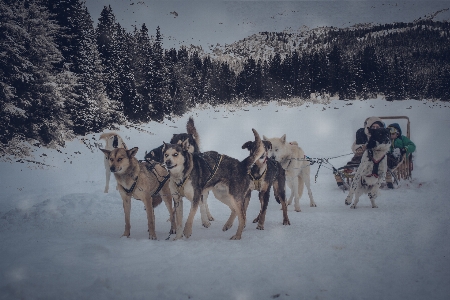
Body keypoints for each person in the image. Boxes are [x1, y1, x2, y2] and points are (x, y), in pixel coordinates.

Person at [335, 117, 385, 190]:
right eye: (373, 127)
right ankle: (346, 176)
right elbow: (354, 147)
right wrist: (361, 147)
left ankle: (369, 179)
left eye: (377, 127)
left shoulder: (383, 136)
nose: (375, 129)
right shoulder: (362, 134)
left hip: (375, 158)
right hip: (360, 156)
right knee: (352, 164)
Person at [385, 123, 416, 189]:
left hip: (399, 157)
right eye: (389, 134)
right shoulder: (387, 140)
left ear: (397, 133)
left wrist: (404, 149)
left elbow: (413, 146)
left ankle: (389, 172)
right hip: (388, 157)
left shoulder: (402, 139)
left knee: (396, 151)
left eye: (393, 134)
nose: (391, 136)